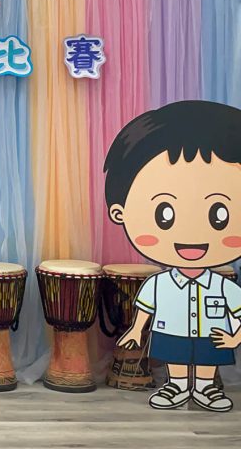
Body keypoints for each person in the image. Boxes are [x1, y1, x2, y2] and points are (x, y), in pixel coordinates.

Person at [105, 100, 241, 412]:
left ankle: (205, 388)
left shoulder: (222, 285)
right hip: (171, 331)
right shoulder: (160, 284)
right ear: (120, 212)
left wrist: (235, 336)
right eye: (164, 214)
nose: (192, 234)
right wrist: (136, 329)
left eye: (219, 215)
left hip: (211, 334)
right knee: (175, 357)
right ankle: (176, 385)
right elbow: (145, 308)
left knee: (206, 358)